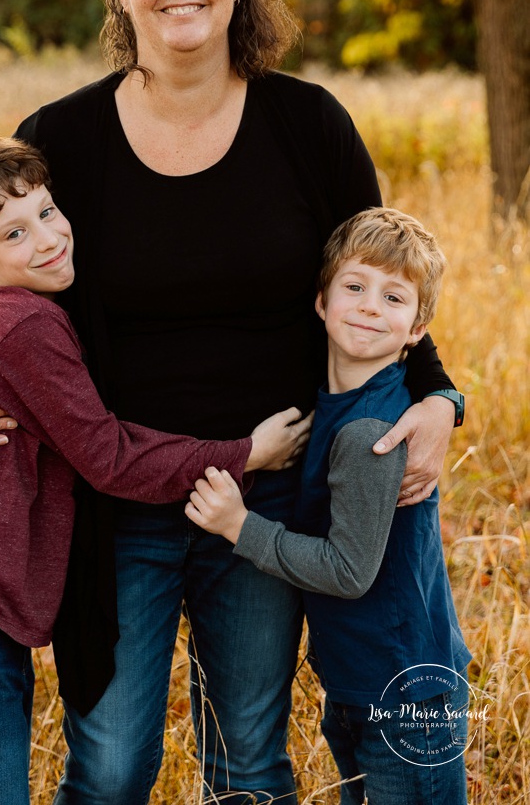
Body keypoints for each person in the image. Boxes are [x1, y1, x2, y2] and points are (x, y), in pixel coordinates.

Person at [0, 0, 460, 805]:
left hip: (269, 492)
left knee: (247, 755)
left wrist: (438, 397)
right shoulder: (66, 136)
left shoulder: (306, 123)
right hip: (117, 499)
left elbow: (380, 274)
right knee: (113, 764)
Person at [0, 133, 302, 805]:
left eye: (48, 213)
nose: (46, 239)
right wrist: (245, 454)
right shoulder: (22, 325)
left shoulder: (16, 309)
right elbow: (108, 456)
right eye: (14, 234)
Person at [186, 207, 470, 805]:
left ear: (417, 329)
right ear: (321, 301)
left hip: (404, 694)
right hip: (362, 682)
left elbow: (348, 570)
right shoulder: (338, 406)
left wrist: (240, 526)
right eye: (355, 287)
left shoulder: (370, 431)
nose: (370, 306)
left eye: (394, 297)